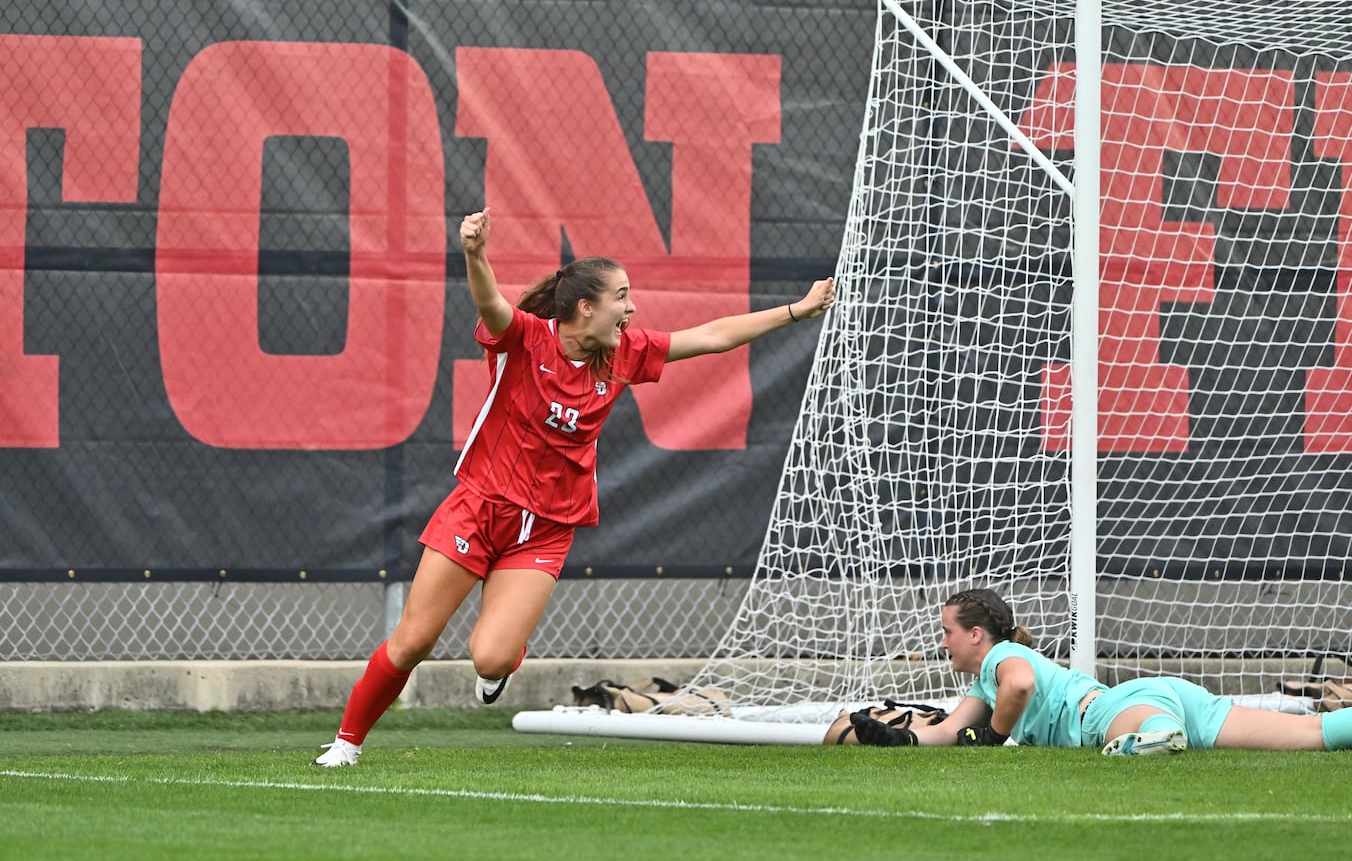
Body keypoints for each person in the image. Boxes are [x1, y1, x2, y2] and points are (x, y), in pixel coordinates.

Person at [313, 207, 838, 766]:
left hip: (545, 528)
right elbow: (492, 307)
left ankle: (504, 662)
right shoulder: (526, 340)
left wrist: (796, 312)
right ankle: (346, 744)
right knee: (414, 641)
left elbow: (710, 337)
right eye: (622, 296)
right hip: (478, 507)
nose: (631, 309)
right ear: (585, 307)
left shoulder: (621, 354)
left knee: (490, 659)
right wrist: (475, 252)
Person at [850, 587, 1352, 754]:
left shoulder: (1004, 659)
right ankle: (1159, 732)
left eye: (948, 632)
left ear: (976, 635)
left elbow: (1018, 689)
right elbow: (956, 731)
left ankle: (1156, 736)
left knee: (1153, 730)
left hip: (1112, 711)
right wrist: (905, 742)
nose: (943, 643)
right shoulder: (989, 680)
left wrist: (996, 735)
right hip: (1164, 694)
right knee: (1316, 732)